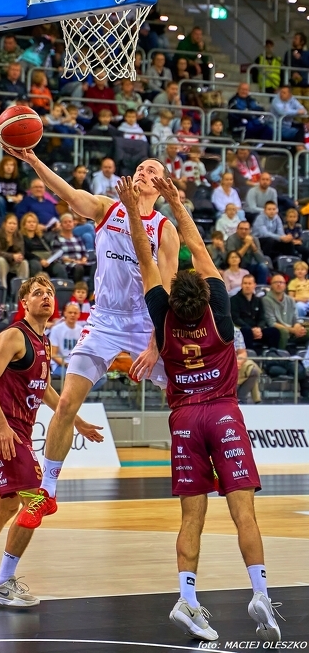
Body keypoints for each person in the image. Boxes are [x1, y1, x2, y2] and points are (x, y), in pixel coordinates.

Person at [115, 174, 281, 643]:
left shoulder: (162, 318)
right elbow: (198, 248)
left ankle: (187, 599)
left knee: (192, 518)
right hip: (224, 413)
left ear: (171, 300)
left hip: (185, 419)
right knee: (244, 514)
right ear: (207, 292)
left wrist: (131, 211)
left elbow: (145, 258)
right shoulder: (220, 314)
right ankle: (260, 594)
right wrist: (175, 200)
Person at [5, 151, 178, 529]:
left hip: (145, 322)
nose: (142, 172)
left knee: (183, 394)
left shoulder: (165, 229)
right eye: (139, 168)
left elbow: (166, 291)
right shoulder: (106, 208)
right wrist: (34, 162)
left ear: (161, 186)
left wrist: (155, 344)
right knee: (67, 402)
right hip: (103, 321)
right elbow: (66, 192)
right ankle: (47, 491)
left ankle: (204, 459)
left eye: (151, 170)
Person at [0, 276, 103, 604]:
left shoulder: (44, 342)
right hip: (6, 431)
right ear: (24, 303)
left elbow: (44, 389)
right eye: (38, 293)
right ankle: (3, 583)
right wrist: (2, 426)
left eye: (50, 293)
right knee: (36, 501)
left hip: (18, 431)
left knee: (5, 506)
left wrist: (75, 421)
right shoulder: (14, 336)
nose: (46, 297)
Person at [230, 274, 280, 351]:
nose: (247, 286)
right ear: (241, 285)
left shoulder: (258, 300)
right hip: (243, 329)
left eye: (249, 283)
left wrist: (259, 328)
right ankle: (250, 354)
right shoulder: (234, 300)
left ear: (254, 285)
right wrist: (251, 329)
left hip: (257, 330)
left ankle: (273, 353)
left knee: (274, 331)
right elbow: (236, 318)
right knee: (246, 331)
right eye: (245, 283)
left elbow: (262, 318)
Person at [262, 273, 309, 349]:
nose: (279, 284)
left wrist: (298, 328)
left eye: (281, 282)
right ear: (271, 285)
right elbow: (271, 323)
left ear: (285, 285)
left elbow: (296, 319)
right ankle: (280, 354)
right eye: (276, 282)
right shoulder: (265, 300)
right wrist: (293, 330)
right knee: (283, 331)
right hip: (278, 331)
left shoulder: (290, 300)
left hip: (292, 331)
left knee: (306, 331)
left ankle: (305, 356)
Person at [20, 212, 66, 278]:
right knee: (36, 265)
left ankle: (62, 284)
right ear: (24, 225)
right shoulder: (21, 238)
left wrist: (51, 259)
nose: (32, 224)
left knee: (59, 267)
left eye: (34, 222)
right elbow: (25, 253)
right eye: (29, 222)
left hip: (47, 260)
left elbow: (49, 249)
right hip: (34, 259)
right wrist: (40, 260)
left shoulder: (41, 237)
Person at [0, 213, 29, 288]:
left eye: (14, 224)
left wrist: (19, 256)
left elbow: (21, 250)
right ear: (5, 224)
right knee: (0, 260)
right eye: (10, 223)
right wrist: (12, 256)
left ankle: (22, 289)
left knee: (24, 262)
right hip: (2, 261)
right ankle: (2, 288)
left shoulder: (18, 235)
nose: (12, 226)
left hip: (13, 262)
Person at [235, 329, 262, 404]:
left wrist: (239, 362)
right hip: (216, 364)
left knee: (252, 369)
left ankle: (241, 399)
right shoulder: (207, 330)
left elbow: (242, 353)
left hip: (234, 360)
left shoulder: (235, 331)